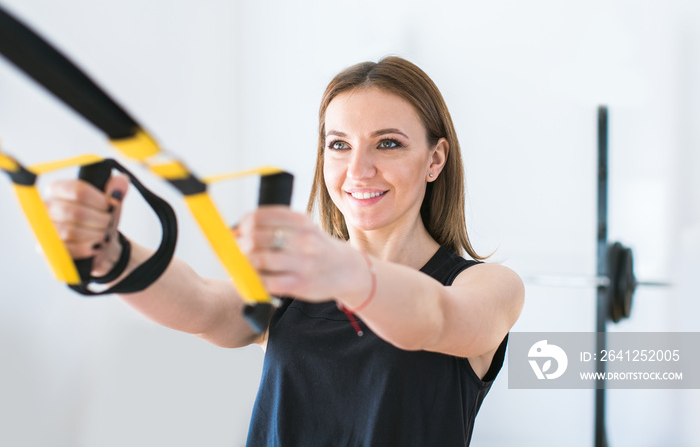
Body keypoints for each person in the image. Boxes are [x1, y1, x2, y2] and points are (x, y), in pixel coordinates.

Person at [46, 56, 524, 446]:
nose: (359, 170)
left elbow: (437, 318)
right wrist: (112, 256)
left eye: (388, 144)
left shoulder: (486, 287)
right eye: (339, 144)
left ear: (434, 159)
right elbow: (201, 304)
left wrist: (336, 268)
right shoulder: (298, 282)